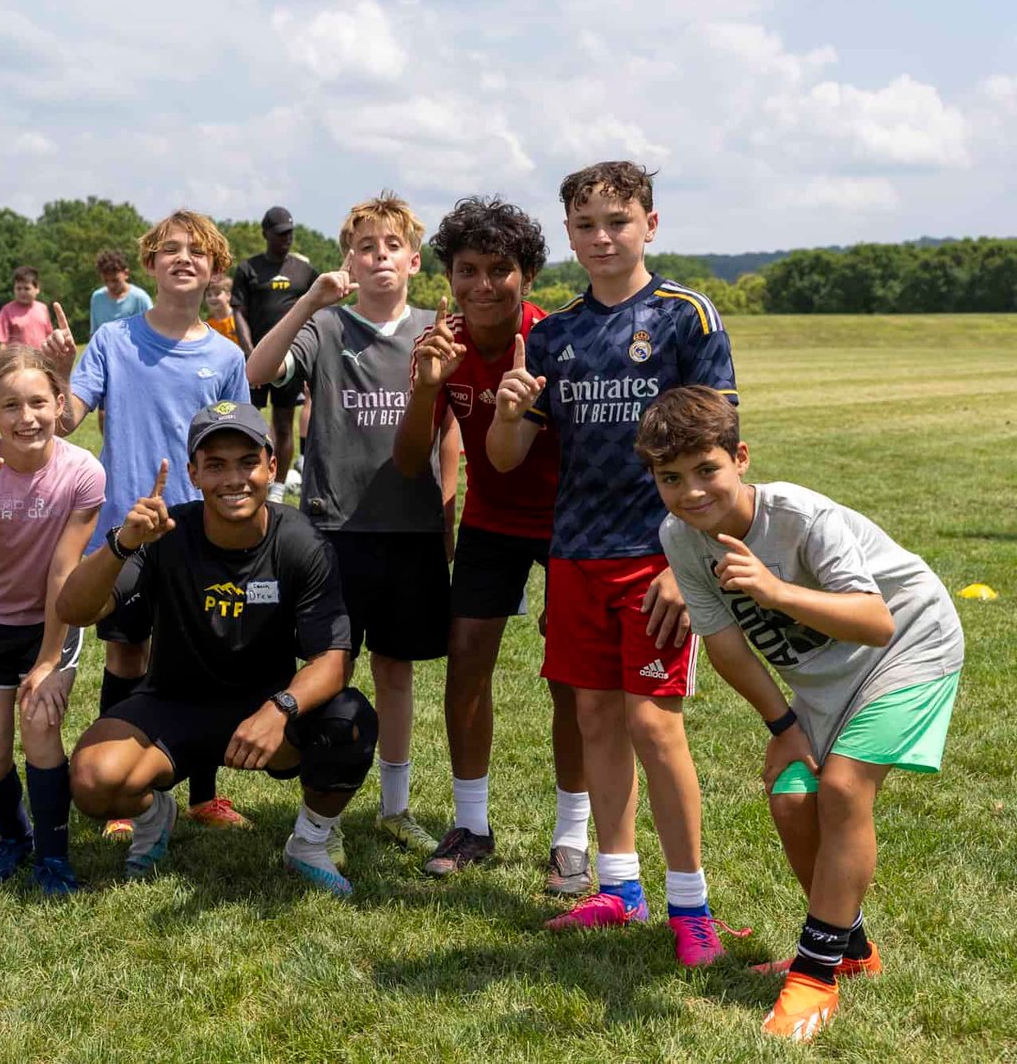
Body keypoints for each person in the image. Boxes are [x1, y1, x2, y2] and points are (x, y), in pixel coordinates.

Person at [637, 386, 963, 1040]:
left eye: (708, 470)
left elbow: (875, 621)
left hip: (910, 646)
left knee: (842, 787)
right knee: (791, 798)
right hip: (824, 684)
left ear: (741, 458)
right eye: (671, 479)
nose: (692, 491)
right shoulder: (680, 537)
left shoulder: (802, 518)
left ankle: (813, 976)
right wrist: (783, 728)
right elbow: (725, 643)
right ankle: (851, 949)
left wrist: (775, 589)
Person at [485, 161, 740, 966]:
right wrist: (510, 410)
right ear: (569, 235)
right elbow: (502, 458)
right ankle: (619, 888)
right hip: (575, 556)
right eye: (586, 225)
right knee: (594, 718)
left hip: (657, 559)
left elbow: (722, 456)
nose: (602, 238)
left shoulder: (685, 317)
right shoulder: (552, 334)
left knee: (653, 726)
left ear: (650, 227)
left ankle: (691, 906)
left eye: (618, 222)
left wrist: (687, 560)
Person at [59, 402, 378, 896]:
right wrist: (121, 544)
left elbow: (334, 659)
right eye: (215, 465)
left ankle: (310, 842)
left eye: (247, 461)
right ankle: (152, 816)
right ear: (193, 473)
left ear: (272, 466)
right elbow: (74, 609)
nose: (234, 478)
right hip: (174, 703)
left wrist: (281, 707)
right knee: (92, 780)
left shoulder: (301, 543)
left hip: (264, 708)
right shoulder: (163, 533)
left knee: (349, 718)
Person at [247, 192, 452, 862]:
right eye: (366, 247)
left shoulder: (433, 325)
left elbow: (451, 431)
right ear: (347, 262)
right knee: (329, 669)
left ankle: (395, 809)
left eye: (392, 246)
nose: (379, 257)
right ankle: (321, 815)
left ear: (414, 261)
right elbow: (256, 373)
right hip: (335, 530)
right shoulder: (327, 328)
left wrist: (447, 509)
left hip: (413, 530)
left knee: (396, 672)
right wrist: (308, 302)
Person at [393, 197, 590, 890]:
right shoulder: (441, 341)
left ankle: (572, 835)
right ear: (447, 276)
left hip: (569, 523)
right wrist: (427, 389)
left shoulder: (559, 340)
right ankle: (471, 824)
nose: (482, 284)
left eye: (499, 269)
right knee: (467, 659)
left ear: (528, 274)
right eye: (467, 269)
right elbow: (412, 460)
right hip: (491, 520)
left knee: (571, 675)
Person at [46, 209, 252, 834]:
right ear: (151, 265)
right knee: (128, 655)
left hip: (200, 533)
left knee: (197, 661)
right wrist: (59, 369)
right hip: (127, 531)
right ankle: (125, 793)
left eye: (196, 251)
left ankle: (202, 793)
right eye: (170, 249)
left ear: (214, 268)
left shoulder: (225, 354)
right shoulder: (113, 340)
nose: (182, 258)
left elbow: (238, 450)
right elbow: (65, 419)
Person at [0, 346, 104, 896]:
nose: (27, 417)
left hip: (51, 623)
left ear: (60, 405)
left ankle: (54, 858)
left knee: (41, 731)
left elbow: (64, 571)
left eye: (39, 402)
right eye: (11, 406)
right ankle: (16, 836)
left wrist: (47, 662)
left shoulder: (82, 472)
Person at [231, 205, 318, 502]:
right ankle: (251, 478)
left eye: (290, 233)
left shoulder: (304, 271)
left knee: (283, 423)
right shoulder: (248, 269)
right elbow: (238, 311)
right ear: (265, 234)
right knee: (251, 421)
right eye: (280, 234)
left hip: (289, 364)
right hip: (256, 361)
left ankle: (277, 489)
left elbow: (317, 310)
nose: (286, 239)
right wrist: (251, 350)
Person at [88, 250, 153, 334]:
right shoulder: (97, 298)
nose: (110, 285)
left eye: (115, 280)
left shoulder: (140, 298)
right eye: (106, 281)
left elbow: (153, 331)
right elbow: (94, 333)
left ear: (126, 273)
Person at [0, 267, 54, 352]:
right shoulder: (6, 310)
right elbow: (1, 342)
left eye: (26, 288)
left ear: (37, 289)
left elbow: (49, 337)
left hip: (41, 360)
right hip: (18, 362)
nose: (22, 292)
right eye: (18, 288)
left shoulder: (43, 308)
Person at [204, 276, 251, 354]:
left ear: (229, 296)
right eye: (209, 295)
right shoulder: (207, 325)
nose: (212, 298)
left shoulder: (239, 320)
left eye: (217, 294)